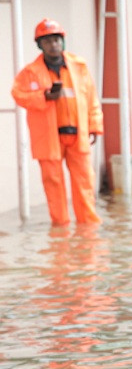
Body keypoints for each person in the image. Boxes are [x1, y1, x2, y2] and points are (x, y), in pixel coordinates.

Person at [10, 18, 103, 226]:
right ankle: (60, 231)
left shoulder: (79, 66)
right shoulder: (30, 73)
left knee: (84, 183)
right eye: (48, 41)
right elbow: (18, 94)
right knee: (53, 184)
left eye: (56, 40)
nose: (53, 45)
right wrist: (44, 96)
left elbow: (91, 98)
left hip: (77, 135)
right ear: (40, 45)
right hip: (49, 138)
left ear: (63, 42)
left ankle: (88, 231)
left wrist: (95, 125)